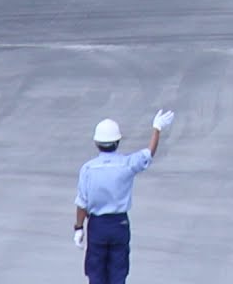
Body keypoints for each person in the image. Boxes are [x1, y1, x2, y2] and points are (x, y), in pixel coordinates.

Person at [73, 109, 175, 284]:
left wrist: (79, 228)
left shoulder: (88, 169)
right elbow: (148, 154)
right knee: (118, 273)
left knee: (96, 272)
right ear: (117, 141)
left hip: (97, 225)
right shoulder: (126, 164)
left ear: (96, 142)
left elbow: (82, 203)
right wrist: (156, 129)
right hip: (119, 224)